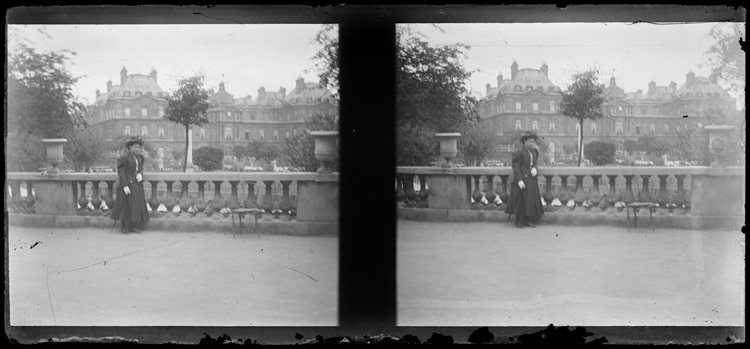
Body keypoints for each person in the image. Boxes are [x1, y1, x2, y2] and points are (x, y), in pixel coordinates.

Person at [504, 131, 545, 228]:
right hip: (522, 179)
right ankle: (518, 221)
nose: (532, 143)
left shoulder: (534, 152)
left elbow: (535, 163)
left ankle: (526, 220)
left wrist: (535, 168)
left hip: (531, 179)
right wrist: (519, 180)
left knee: (530, 200)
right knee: (520, 201)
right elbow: (516, 167)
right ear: (525, 142)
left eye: (533, 142)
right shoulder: (519, 153)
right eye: (530, 141)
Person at [110, 135, 149, 234]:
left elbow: (141, 168)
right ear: (130, 147)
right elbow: (121, 173)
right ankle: (124, 227)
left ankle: (132, 226)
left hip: (136, 185)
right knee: (125, 207)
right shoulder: (125, 158)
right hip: (127, 184)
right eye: (135, 147)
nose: (137, 149)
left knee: (135, 206)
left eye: (138, 147)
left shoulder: (140, 157)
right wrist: (125, 186)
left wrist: (140, 174)